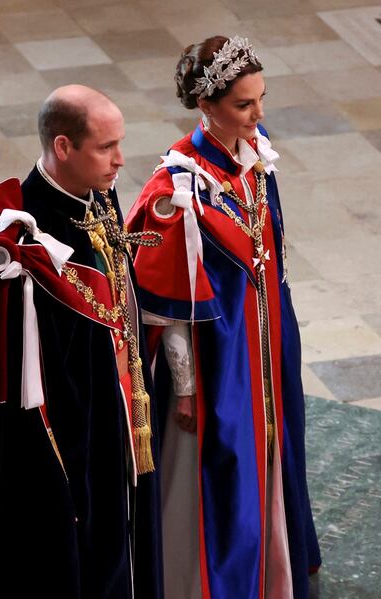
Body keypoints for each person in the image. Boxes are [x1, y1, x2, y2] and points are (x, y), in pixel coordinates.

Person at [0, 85, 164, 599]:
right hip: (58, 447)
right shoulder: (22, 244)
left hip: (109, 415)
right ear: (63, 146)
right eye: (106, 147)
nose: (120, 160)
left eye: (120, 144)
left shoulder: (97, 193)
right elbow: (14, 385)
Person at [125, 36, 321, 599]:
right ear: (205, 106)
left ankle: (275, 569)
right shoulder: (178, 191)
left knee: (278, 449)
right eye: (244, 105)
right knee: (227, 468)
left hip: (267, 342)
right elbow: (165, 307)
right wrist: (185, 389)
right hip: (219, 360)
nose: (259, 115)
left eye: (261, 99)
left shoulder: (256, 158)